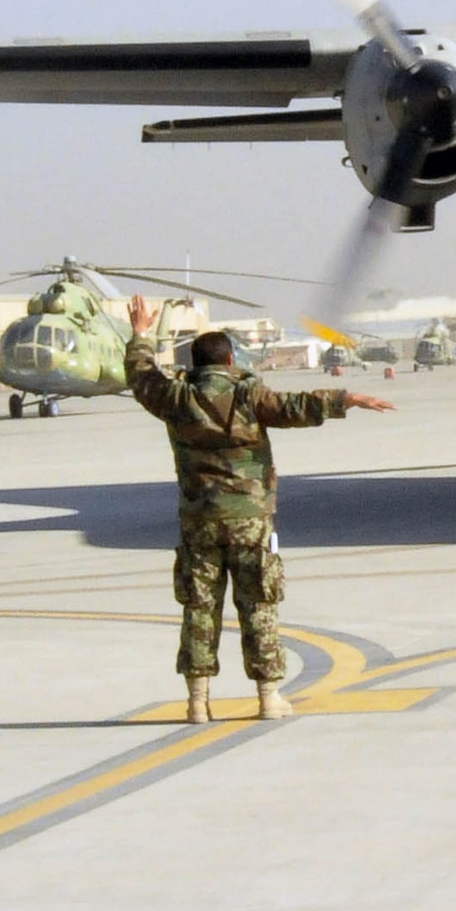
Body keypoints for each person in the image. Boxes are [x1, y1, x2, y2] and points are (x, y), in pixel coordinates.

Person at [125, 295, 394, 722]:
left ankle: (198, 702)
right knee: (259, 605)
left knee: (199, 609)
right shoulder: (250, 397)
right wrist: (348, 399)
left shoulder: (174, 399)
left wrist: (140, 334)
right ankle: (268, 697)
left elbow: (140, 375)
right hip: (249, 520)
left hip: (200, 522)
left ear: (195, 362)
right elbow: (296, 407)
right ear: (230, 359)